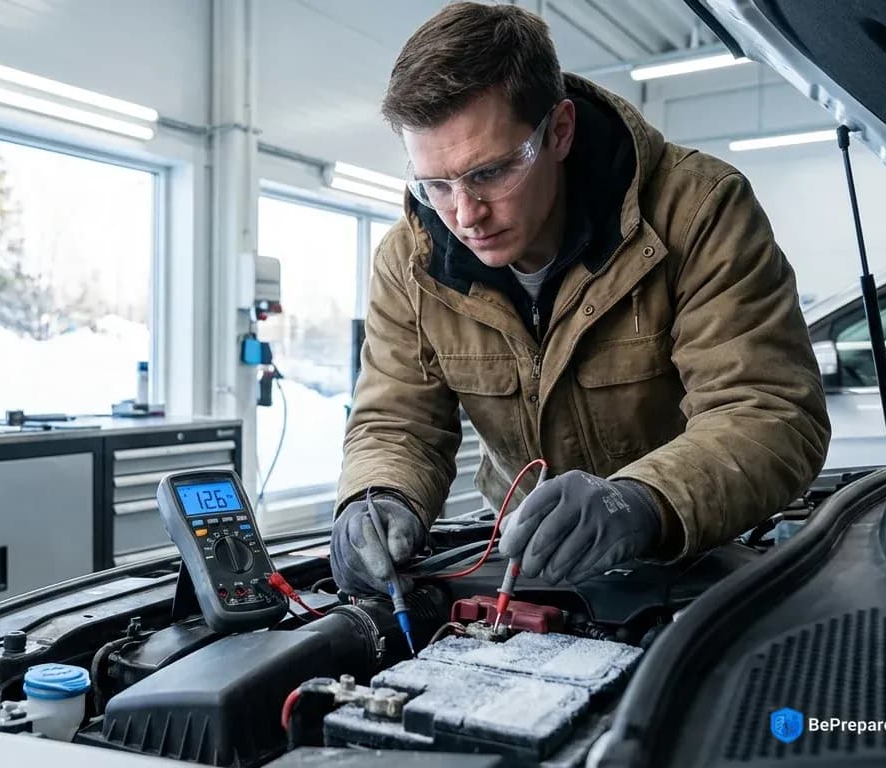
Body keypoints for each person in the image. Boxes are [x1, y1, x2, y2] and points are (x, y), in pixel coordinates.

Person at [329, 2, 830, 595]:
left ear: (559, 130)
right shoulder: (408, 262)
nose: (465, 215)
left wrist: (642, 501)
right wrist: (377, 496)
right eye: (436, 184)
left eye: (488, 173)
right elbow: (396, 423)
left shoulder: (698, 212)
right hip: (529, 573)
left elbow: (766, 408)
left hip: (698, 562)